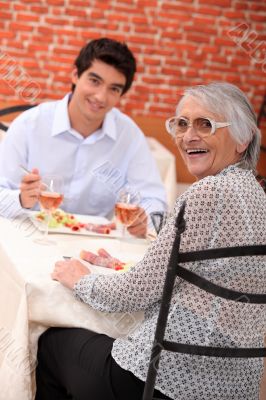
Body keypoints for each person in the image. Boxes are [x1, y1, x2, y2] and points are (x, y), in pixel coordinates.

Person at [35, 82, 266, 400]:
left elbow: (136, 293)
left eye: (205, 124)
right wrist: (115, 266)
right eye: (182, 124)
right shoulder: (256, 194)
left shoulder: (206, 192)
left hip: (162, 381)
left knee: (51, 344)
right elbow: (192, 275)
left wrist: (83, 280)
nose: (188, 136)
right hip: (235, 383)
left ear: (244, 138)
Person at [0, 38, 167, 237]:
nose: (101, 97)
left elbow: (155, 204)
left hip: (96, 246)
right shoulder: (29, 125)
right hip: (31, 238)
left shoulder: (129, 135)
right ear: (75, 75)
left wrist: (144, 220)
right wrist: (21, 199)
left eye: (114, 89)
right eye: (94, 81)